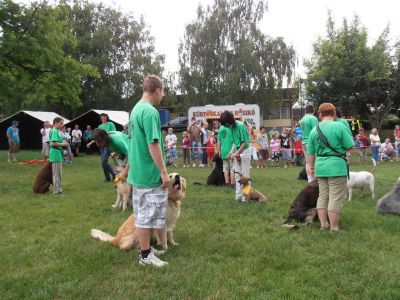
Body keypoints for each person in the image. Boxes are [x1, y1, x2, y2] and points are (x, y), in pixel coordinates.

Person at [127, 74, 169, 267]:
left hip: (137, 172)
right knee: (146, 215)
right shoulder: (150, 112)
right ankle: (145, 256)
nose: (163, 95)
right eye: (163, 91)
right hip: (148, 172)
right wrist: (163, 171)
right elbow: (153, 144)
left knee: (141, 213)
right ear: (157, 90)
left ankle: (145, 249)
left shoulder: (135, 109)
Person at [308, 103, 354, 232]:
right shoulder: (339, 126)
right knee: (335, 197)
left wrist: (312, 168)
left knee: (322, 196)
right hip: (337, 166)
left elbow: (311, 152)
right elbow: (349, 146)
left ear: (320, 115)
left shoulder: (314, 129)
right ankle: (334, 228)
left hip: (320, 166)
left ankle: (324, 225)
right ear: (334, 113)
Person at [220, 111, 251, 202]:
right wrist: (231, 152)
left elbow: (244, 143)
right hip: (237, 152)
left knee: (245, 176)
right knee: (237, 175)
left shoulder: (240, 126)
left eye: (225, 123)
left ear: (229, 120)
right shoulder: (231, 127)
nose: (225, 126)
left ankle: (246, 197)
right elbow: (235, 142)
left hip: (244, 152)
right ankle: (238, 196)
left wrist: (236, 153)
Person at [87, 113, 116, 182]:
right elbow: (97, 136)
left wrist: (106, 134)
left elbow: (114, 132)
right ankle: (107, 178)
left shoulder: (110, 124)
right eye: (102, 116)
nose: (103, 117)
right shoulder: (99, 126)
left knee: (104, 161)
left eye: (104, 116)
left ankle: (114, 174)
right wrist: (90, 143)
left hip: (108, 144)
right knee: (103, 162)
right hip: (101, 145)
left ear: (107, 117)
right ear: (100, 118)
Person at [49, 118, 69, 194]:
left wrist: (62, 150)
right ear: (56, 123)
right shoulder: (54, 131)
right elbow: (53, 143)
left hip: (57, 153)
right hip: (55, 154)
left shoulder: (55, 131)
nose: (62, 125)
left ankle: (59, 189)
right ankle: (57, 191)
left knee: (58, 173)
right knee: (57, 174)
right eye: (61, 123)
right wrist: (64, 144)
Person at [300, 104, 319, 182]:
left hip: (304, 142)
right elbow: (317, 131)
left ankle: (310, 180)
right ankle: (316, 179)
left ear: (305, 110)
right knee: (316, 161)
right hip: (311, 142)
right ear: (313, 110)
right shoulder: (313, 118)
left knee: (308, 163)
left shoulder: (302, 119)